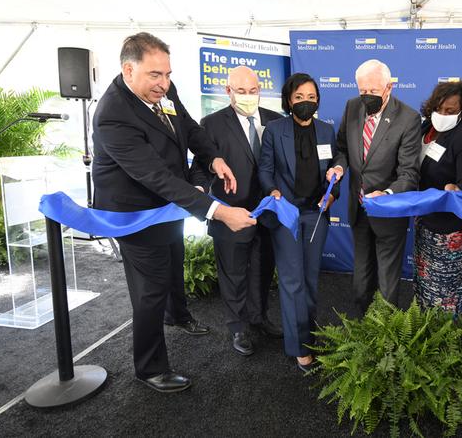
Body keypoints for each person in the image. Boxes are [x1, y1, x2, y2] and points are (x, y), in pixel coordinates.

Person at [92, 32, 255, 393]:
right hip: (133, 211)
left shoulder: (163, 88)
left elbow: (190, 128)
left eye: (167, 74)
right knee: (150, 287)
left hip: (167, 205)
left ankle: (177, 316)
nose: (164, 84)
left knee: (174, 259)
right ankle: (150, 367)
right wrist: (218, 211)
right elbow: (155, 177)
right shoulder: (112, 115)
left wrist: (213, 158)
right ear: (128, 70)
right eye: (155, 76)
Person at [190, 66, 283, 356]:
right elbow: (202, 166)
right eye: (240, 91)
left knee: (263, 270)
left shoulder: (275, 120)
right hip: (230, 214)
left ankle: (259, 317)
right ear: (228, 91)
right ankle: (238, 327)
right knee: (233, 273)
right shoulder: (211, 124)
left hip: (266, 212)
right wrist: (200, 191)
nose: (247, 96)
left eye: (253, 91)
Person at [259, 73, 340, 372]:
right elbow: (265, 169)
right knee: (292, 282)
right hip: (287, 214)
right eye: (299, 98)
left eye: (311, 97)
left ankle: (307, 331)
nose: (306, 102)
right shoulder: (274, 130)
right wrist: (272, 191)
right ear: (288, 101)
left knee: (309, 279)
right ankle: (299, 348)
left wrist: (333, 196)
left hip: (316, 213)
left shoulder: (326, 131)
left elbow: (333, 169)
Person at [327, 59, 421, 315]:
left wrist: (387, 194)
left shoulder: (409, 118)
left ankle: (387, 336)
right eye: (362, 91)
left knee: (388, 283)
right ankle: (360, 329)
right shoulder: (352, 107)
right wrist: (339, 167)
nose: (366, 97)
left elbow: (409, 172)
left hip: (388, 213)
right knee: (360, 278)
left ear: (388, 87)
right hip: (358, 210)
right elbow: (343, 149)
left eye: (373, 91)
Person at [413, 81, 462, 314]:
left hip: (450, 230)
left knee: (445, 296)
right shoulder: (425, 128)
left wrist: (458, 187)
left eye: (451, 111)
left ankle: (444, 345)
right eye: (439, 109)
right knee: (424, 286)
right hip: (425, 222)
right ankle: (424, 339)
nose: (443, 115)